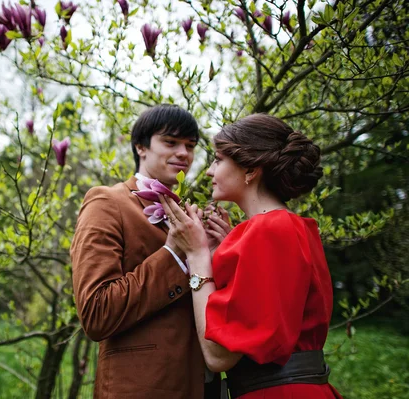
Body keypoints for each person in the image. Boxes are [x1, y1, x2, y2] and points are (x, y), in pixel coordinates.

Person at [160, 114, 343, 399]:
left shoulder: (267, 229)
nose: (209, 171)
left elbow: (218, 356)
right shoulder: (288, 227)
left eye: (218, 160)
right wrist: (231, 254)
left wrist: (197, 255)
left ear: (250, 170)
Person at [71, 104, 223, 398]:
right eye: (170, 142)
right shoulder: (107, 203)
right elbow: (96, 313)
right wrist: (175, 255)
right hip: (141, 387)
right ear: (141, 146)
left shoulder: (194, 216)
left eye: (190, 146)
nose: (184, 153)